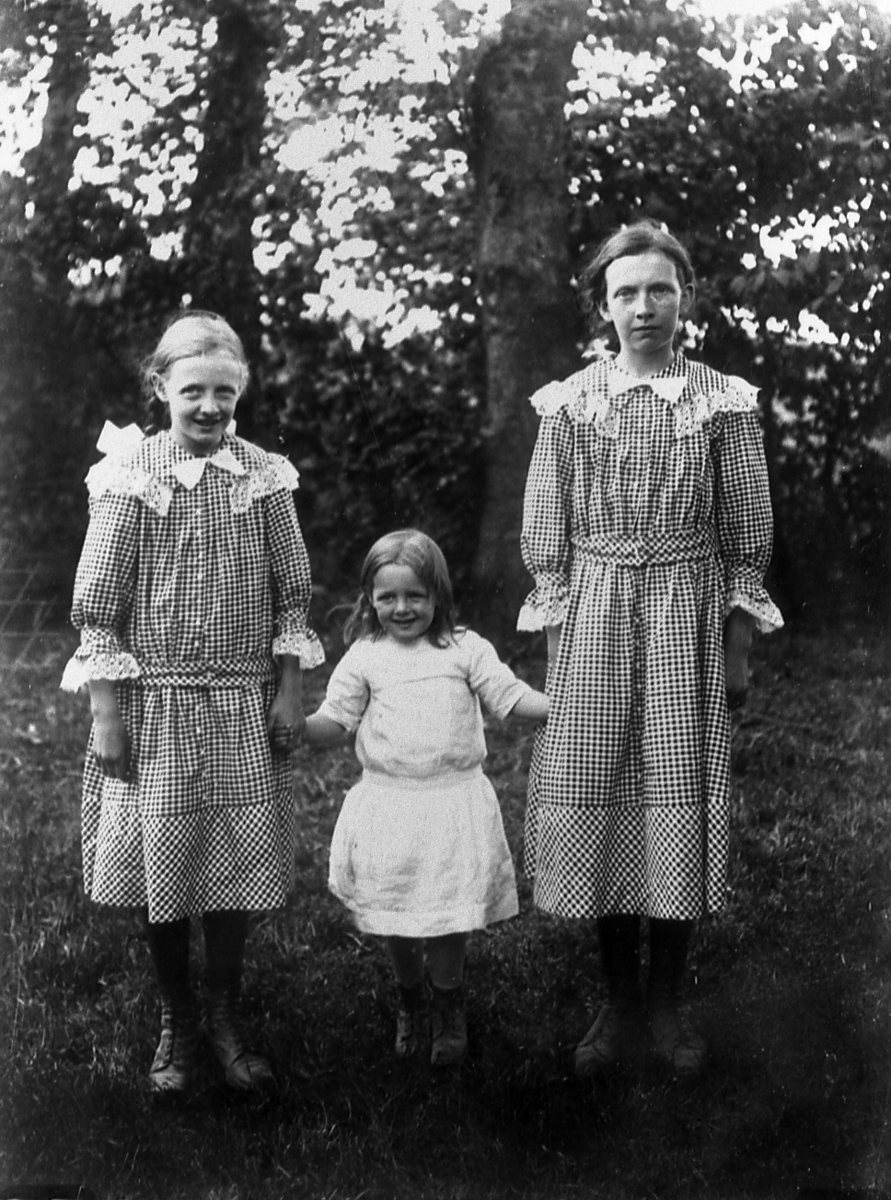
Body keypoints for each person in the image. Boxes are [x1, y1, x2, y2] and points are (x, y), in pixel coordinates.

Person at [518, 219, 783, 1081]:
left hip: (685, 615)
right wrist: (558, 654)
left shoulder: (721, 401)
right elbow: (546, 535)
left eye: (659, 290)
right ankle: (617, 1001)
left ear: (684, 297)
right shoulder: (570, 403)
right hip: (594, 615)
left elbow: (745, 534)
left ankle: (666, 1000)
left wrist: (736, 652)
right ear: (602, 305)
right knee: (600, 792)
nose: (643, 307)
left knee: (673, 791)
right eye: (625, 292)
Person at [61, 310, 324, 1096]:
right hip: (158, 703)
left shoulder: (263, 474)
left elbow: (291, 594)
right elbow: (98, 606)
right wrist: (107, 713)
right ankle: (176, 1016)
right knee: (166, 865)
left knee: (233, 862)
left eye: (223, 393)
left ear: (240, 391)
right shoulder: (131, 473)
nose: (208, 407)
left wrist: (288, 690)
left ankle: (224, 1011)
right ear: (160, 389)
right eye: (191, 393)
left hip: (241, 699)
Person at [302, 529, 549, 1066]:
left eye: (415, 595)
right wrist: (298, 727)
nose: (402, 608)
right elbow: (335, 719)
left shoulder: (465, 649)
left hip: (450, 804)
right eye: (387, 597)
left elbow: (510, 697)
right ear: (370, 599)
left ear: (438, 594)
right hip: (390, 804)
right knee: (397, 909)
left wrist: (560, 704)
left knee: (444, 915)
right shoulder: (365, 656)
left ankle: (448, 1007)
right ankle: (411, 1000)